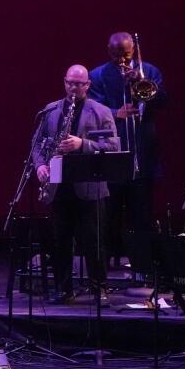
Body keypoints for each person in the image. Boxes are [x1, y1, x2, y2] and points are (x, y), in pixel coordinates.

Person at [31, 65, 120, 305]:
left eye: (80, 84)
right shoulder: (50, 111)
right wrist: (39, 166)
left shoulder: (100, 111)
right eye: (71, 82)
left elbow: (113, 147)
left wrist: (82, 144)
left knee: (94, 243)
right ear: (64, 82)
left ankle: (99, 289)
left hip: (91, 188)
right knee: (61, 242)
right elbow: (37, 144)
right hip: (60, 187)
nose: (74, 87)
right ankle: (63, 289)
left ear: (88, 85)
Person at [88, 32, 167, 261]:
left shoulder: (149, 71)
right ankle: (108, 263)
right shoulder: (98, 74)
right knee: (110, 213)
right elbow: (92, 108)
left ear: (133, 50)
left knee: (141, 213)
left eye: (126, 54)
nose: (121, 60)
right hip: (113, 154)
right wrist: (115, 114)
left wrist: (139, 81)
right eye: (116, 55)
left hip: (143, 152)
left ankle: (141, 264)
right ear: (108, 50)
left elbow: (163, 101)